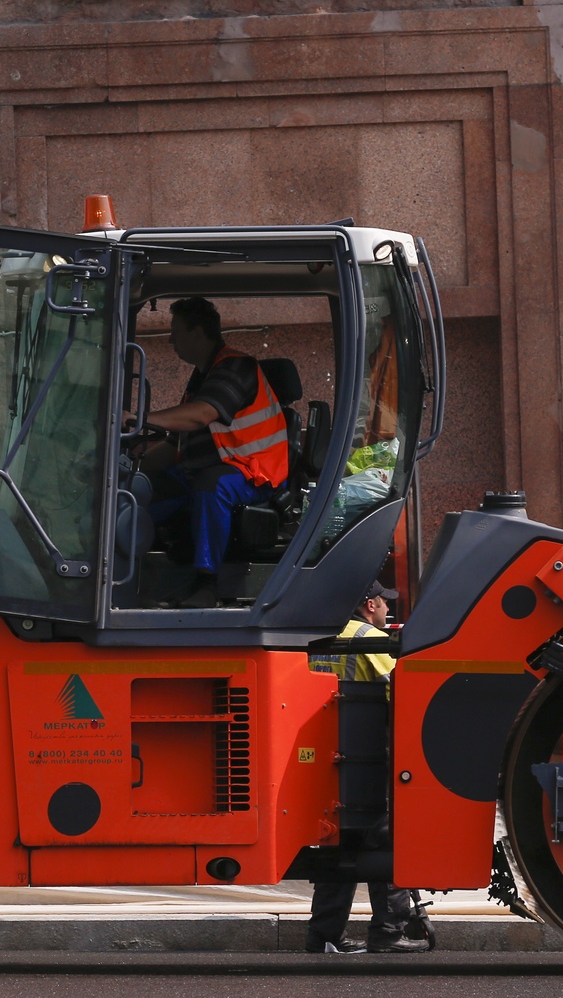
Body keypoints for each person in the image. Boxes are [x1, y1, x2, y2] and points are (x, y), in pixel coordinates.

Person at [304, 581, 434, 954]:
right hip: (368, 760)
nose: (386, 611)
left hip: (324, 762)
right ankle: (388, 932)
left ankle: (325, 935)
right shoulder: (366, 637)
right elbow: (404, 691)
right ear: (369, 603)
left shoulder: (314, 638)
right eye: (384, 604)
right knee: (385, 841)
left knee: (338, 848)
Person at [140, 297, 289, 607]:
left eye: (175, 331)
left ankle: (208, 584)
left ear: (197, 332)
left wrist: (141, 418)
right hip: (212, 468)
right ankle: (137, 575)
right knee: (142, 492)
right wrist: (133, 467)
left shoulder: (237, 366)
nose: (169, 339)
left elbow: (201, 415)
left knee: (212, 486)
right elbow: (174, 445)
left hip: (255, 474)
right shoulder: (202, 377)